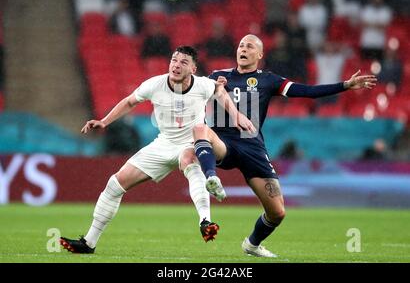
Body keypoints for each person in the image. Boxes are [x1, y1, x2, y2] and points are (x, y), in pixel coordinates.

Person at [193, 34, 377, 257]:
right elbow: (193, 92)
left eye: (249, 46)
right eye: (241, 45)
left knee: (277, 212)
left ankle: (251, 244)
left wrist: (345, 85)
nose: (243, 48)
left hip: (252, 148)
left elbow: (306, 92)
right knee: (201, 131)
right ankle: (211, 177)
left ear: (259, 55)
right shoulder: (218, 76)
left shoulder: (269, 80)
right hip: (223, 141)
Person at [60, 46, 255, 253]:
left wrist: (236, 115)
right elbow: (129, 102)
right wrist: (104, 121)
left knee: (190, 160)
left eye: (183, 62)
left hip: (191, 142)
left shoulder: (203, 85)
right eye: (174, 60)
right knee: (115, 184)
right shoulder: (154, 84)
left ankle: (205, 221)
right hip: (162, 144)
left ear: (193, 68)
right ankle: (89, 242)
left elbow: (220, 91)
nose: (176, 65)